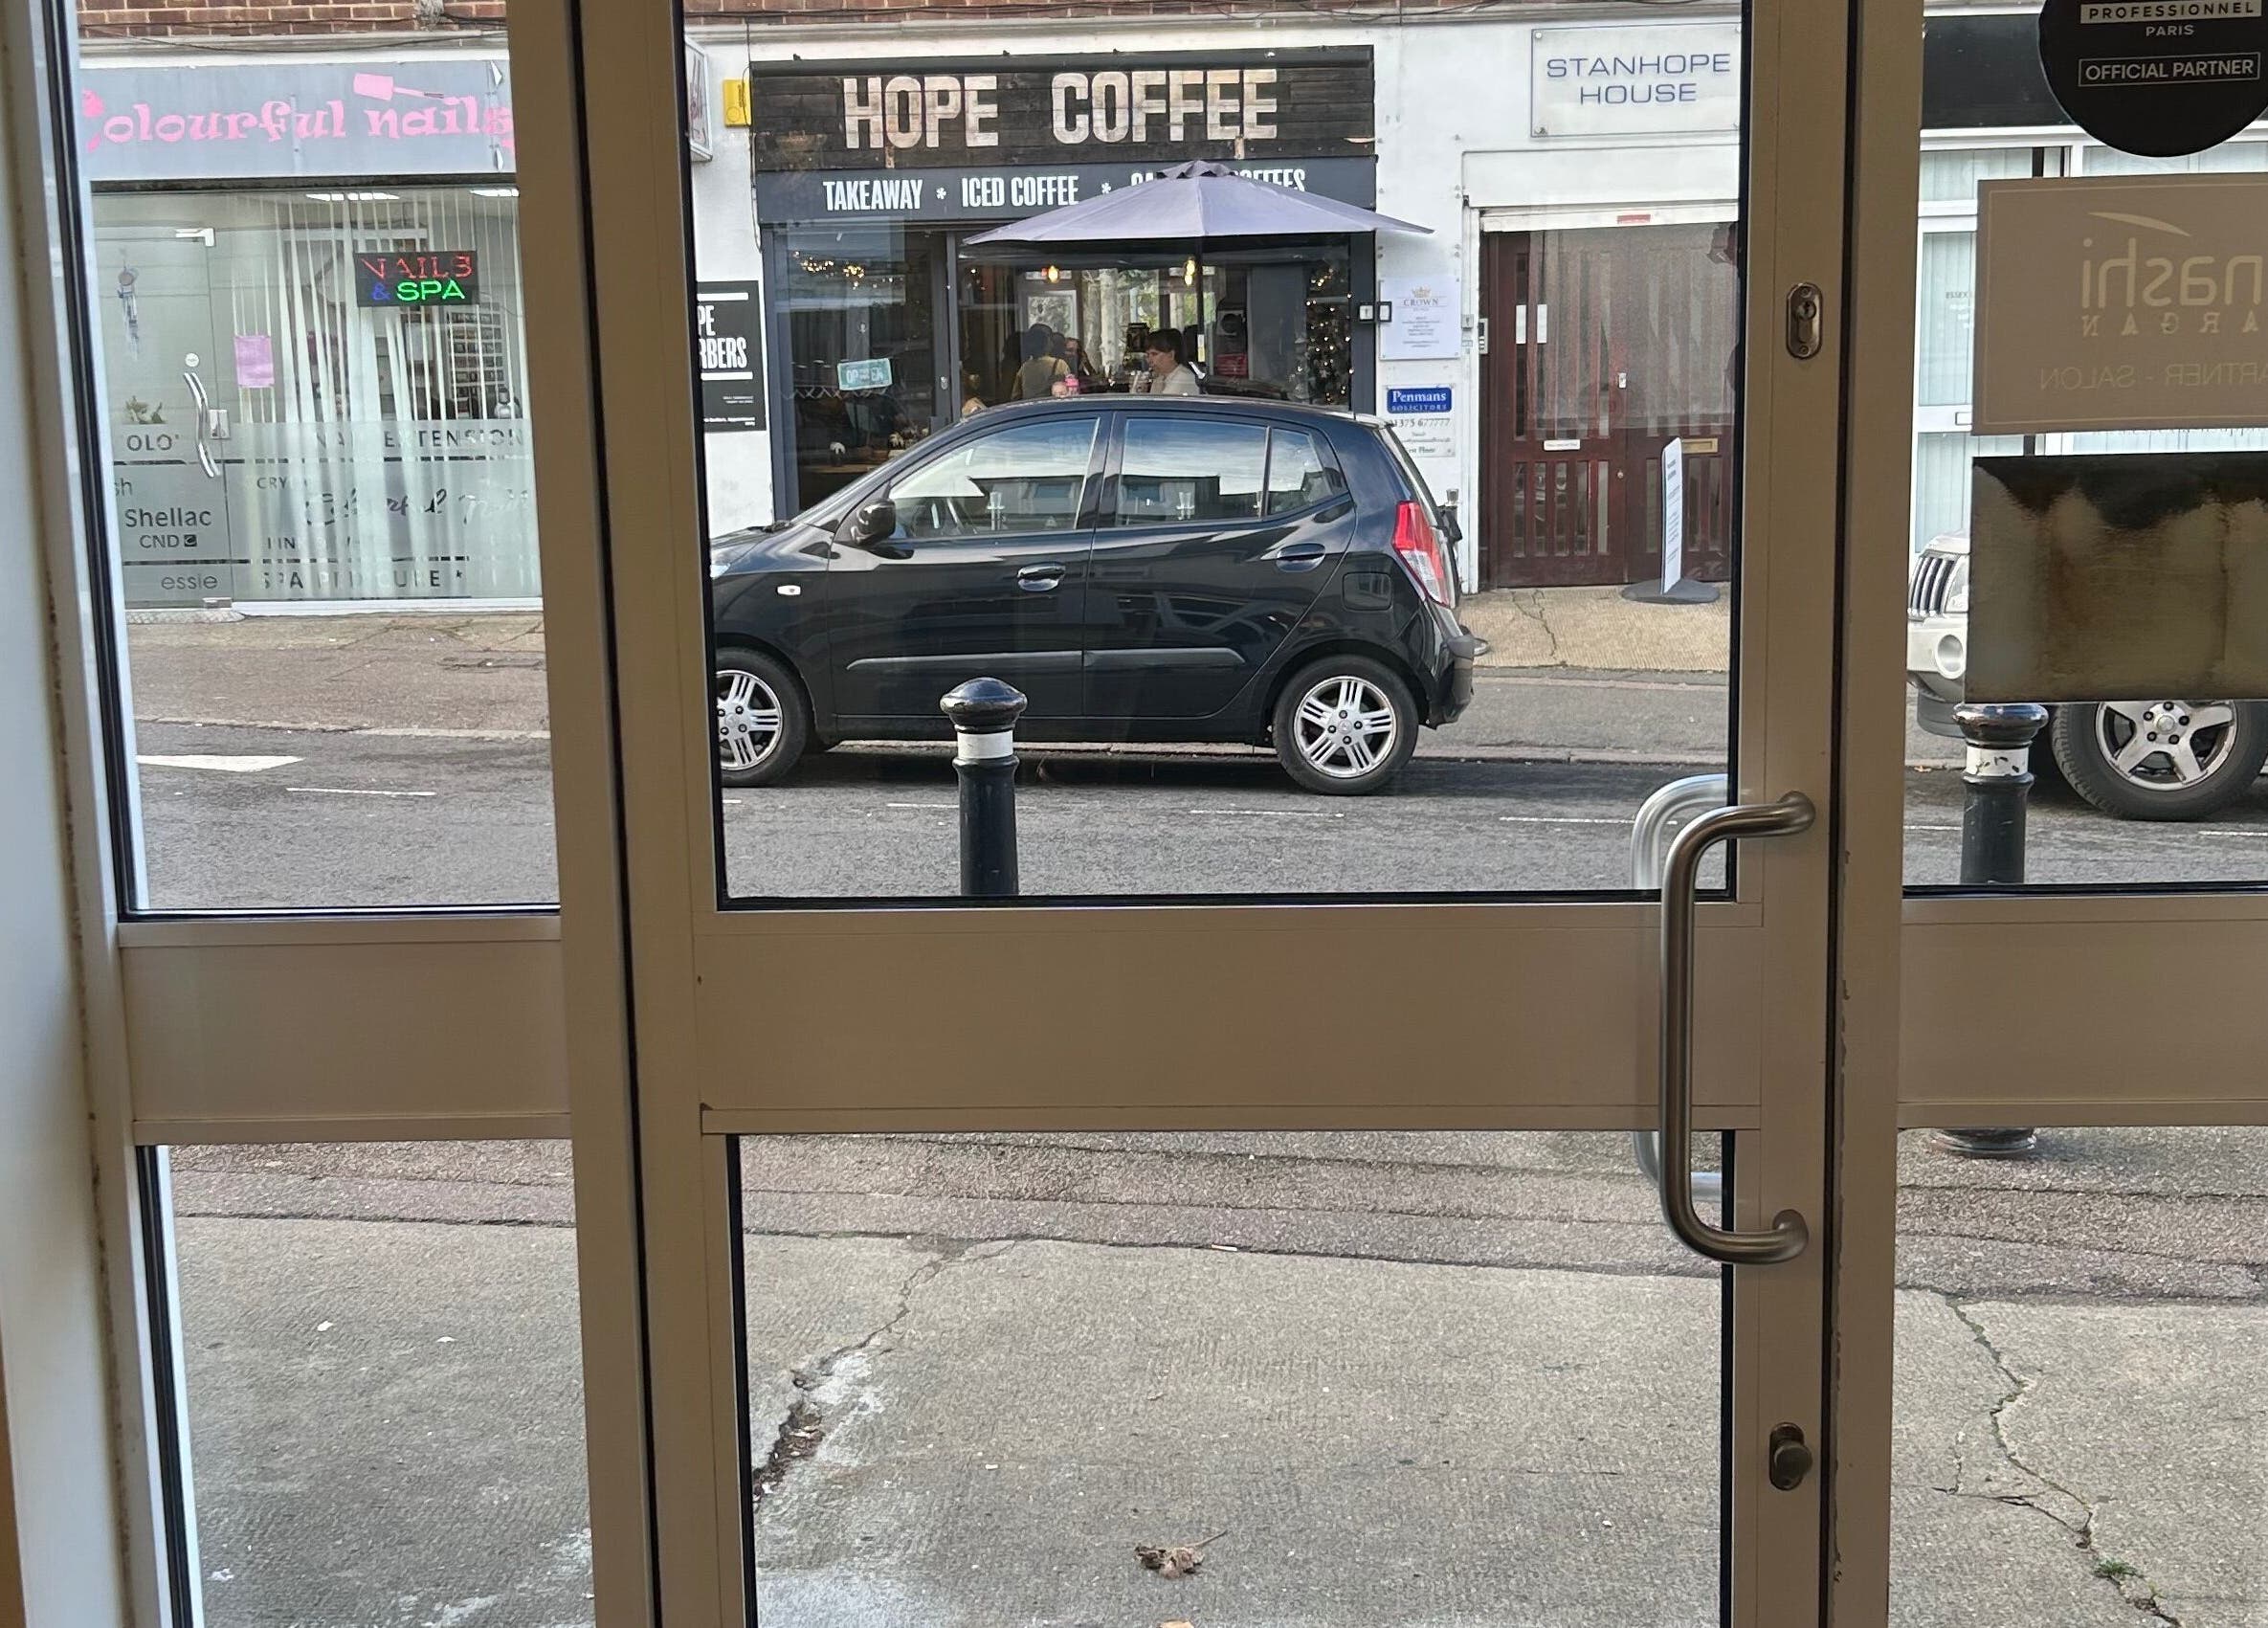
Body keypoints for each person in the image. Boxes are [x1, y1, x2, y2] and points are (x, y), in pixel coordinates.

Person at [1011, 323, 1071, 399]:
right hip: (1050, 406)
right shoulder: (1059, 364)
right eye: (1050, 339)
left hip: (1030, 407)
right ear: (1048, 343)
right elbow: (1070, 390)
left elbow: (1015, 395)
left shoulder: (1024, 367)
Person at [1135, 326, 1201, 396]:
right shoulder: (1160, 379)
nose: (1149, 360)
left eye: (1154, 354)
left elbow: (1161, 404)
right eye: (1147, 355)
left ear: (1171, 355)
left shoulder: (1183, 378)